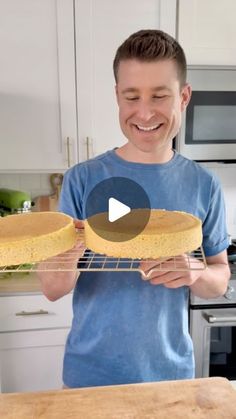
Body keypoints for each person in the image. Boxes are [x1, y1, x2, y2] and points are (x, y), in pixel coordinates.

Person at [38, 29, 230, 388]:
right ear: (117, 97)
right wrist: (75, 245)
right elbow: (51, 288)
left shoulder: (203, 184)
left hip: (170, 377)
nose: (144, 112)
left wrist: (195, 273)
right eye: (131, 97)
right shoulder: (82, 179)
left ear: (184, 96)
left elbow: (219, 279)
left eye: (159, 96)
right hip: (88, 378)